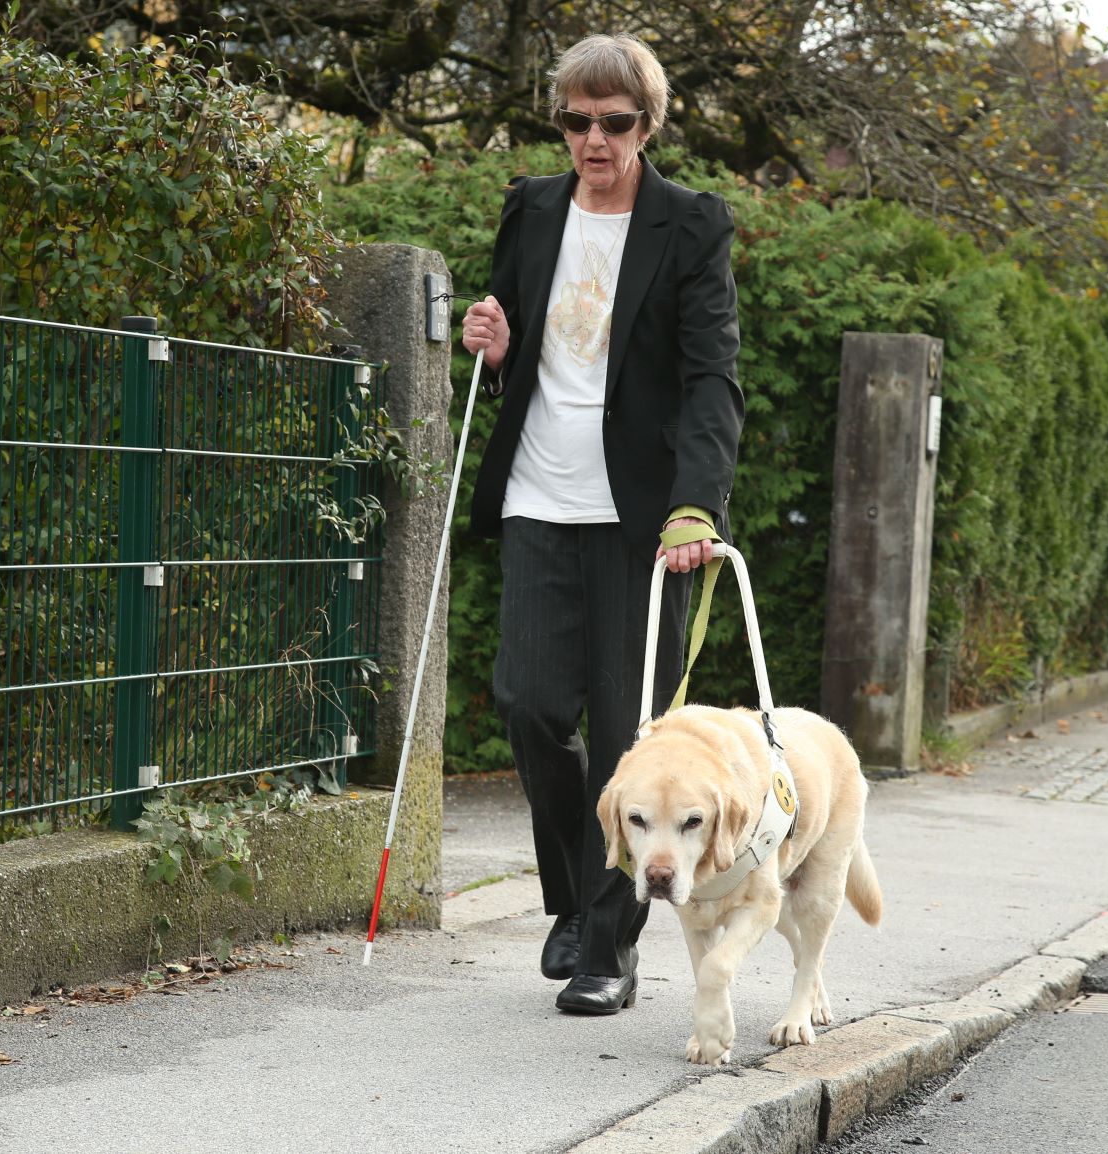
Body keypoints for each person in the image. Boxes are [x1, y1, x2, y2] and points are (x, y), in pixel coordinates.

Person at [460, 33, 744, 1016]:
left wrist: (695, 504)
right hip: (539, 493)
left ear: (647, 124)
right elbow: (522, 338)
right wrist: (493, 348)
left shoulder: (691, 225)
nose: (593, 138)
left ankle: (610, 946)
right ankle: (577, 897)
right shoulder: (531, 209)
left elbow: (712, 377)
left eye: (614, 122)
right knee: (532, 704)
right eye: (576, 121)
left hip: (640, 522)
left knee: (631, 735)